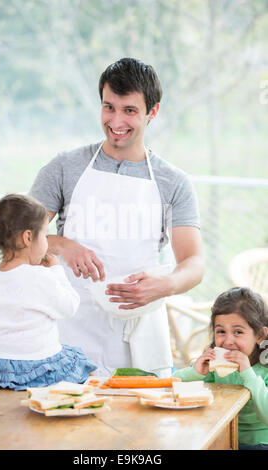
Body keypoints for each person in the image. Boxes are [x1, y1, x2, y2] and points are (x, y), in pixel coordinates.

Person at [30, 57, 204, 377]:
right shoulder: (65, 167)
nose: (116, 121)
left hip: (139, 340)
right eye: (109, 107)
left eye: (129, 110)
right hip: (69, 334)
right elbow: (20, 238)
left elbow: (193, 262)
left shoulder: (173, 182)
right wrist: (64, 245)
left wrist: (166, 284)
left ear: (153, 112)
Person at [0, 194, 96, 390]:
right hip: (34, 364)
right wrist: (56, 270)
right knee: (79, 362)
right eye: (45, 235)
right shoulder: (39, 277)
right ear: (28, 237)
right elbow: (69, 306)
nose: (46, 242)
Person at [173, 287, 268, 450]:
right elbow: (174, 385)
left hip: (258, 443)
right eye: (221, 331)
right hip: (220, 438)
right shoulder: (215, 366)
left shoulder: (264, 369)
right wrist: (195, 373)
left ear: (260, 336)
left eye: (238, 332)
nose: (228, 341)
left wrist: (248, 374)